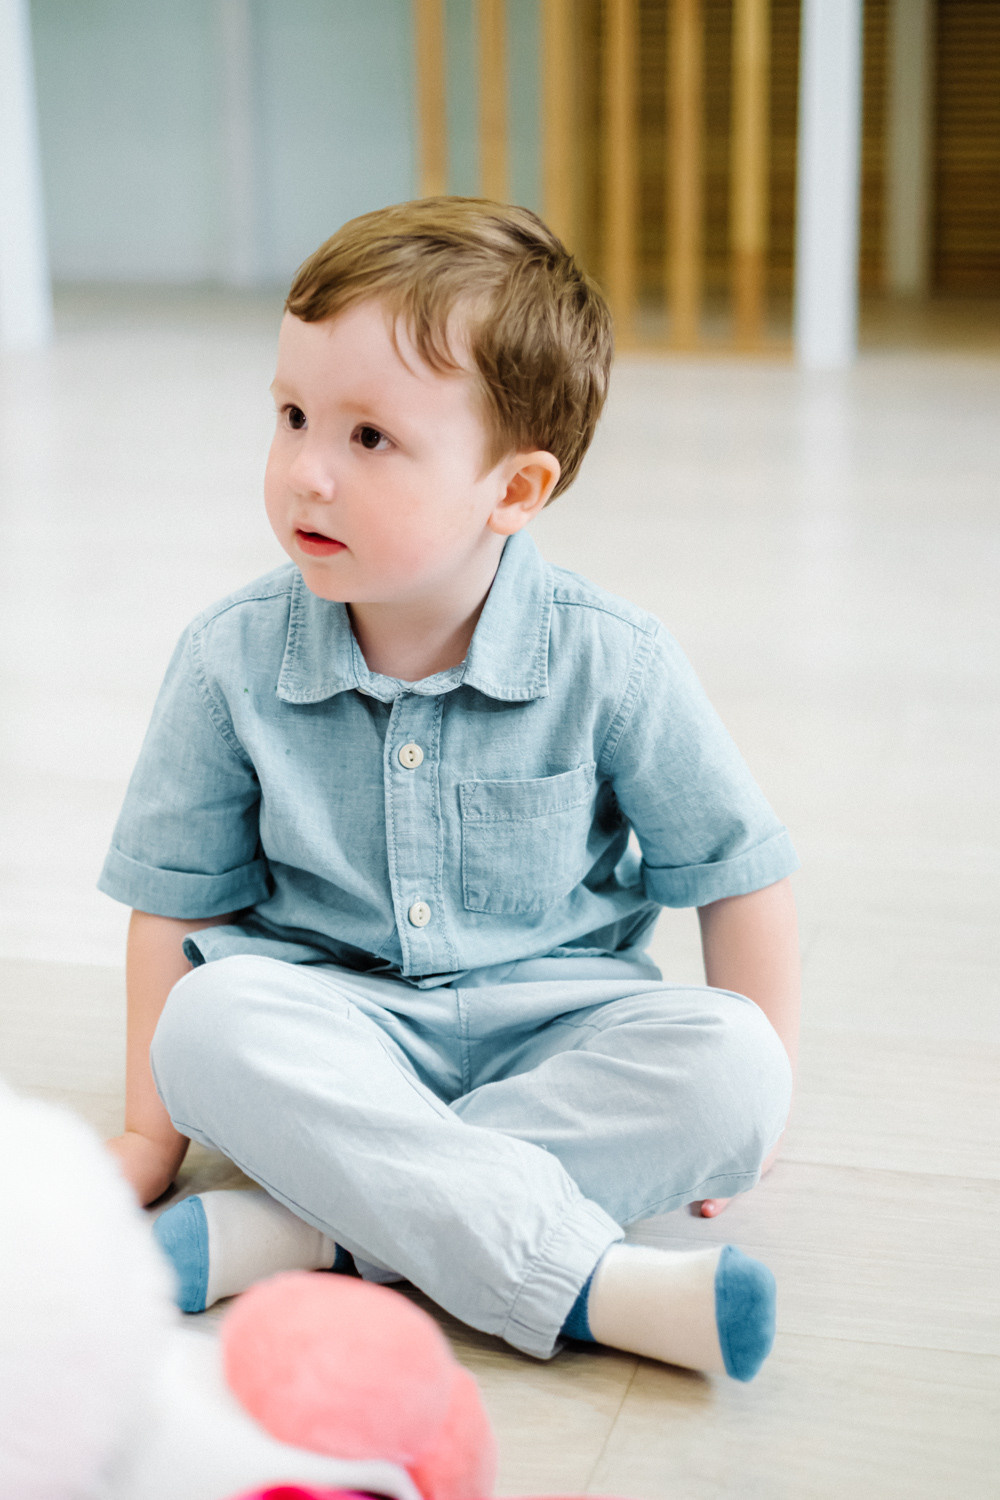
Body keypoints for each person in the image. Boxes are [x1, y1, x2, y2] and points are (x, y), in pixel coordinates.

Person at [100, 198, 800, 1382]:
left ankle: (304, 1229)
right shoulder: (226, 659)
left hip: (559, 1031)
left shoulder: (611, 658)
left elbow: (741, 877)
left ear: (515, 489)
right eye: (291, 416)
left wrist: (757, 1119)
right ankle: (587, 1285)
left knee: (734, 1066)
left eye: (369, 438)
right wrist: (145, 1133)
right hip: (337, 1024)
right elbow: (175, 907)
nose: (306, 472)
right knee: (207, 1021)